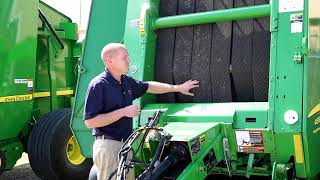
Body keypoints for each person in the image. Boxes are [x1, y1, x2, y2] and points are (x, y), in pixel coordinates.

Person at [83, 43, 199, 180]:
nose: (128, 61)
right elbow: (90, 122)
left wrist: (178, 88)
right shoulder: (98, 85)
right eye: (124, 57)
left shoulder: (125, 81)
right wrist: (123, 112)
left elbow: (149, 86)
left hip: (125, 146)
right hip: (109, 147)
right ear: (110, 61)